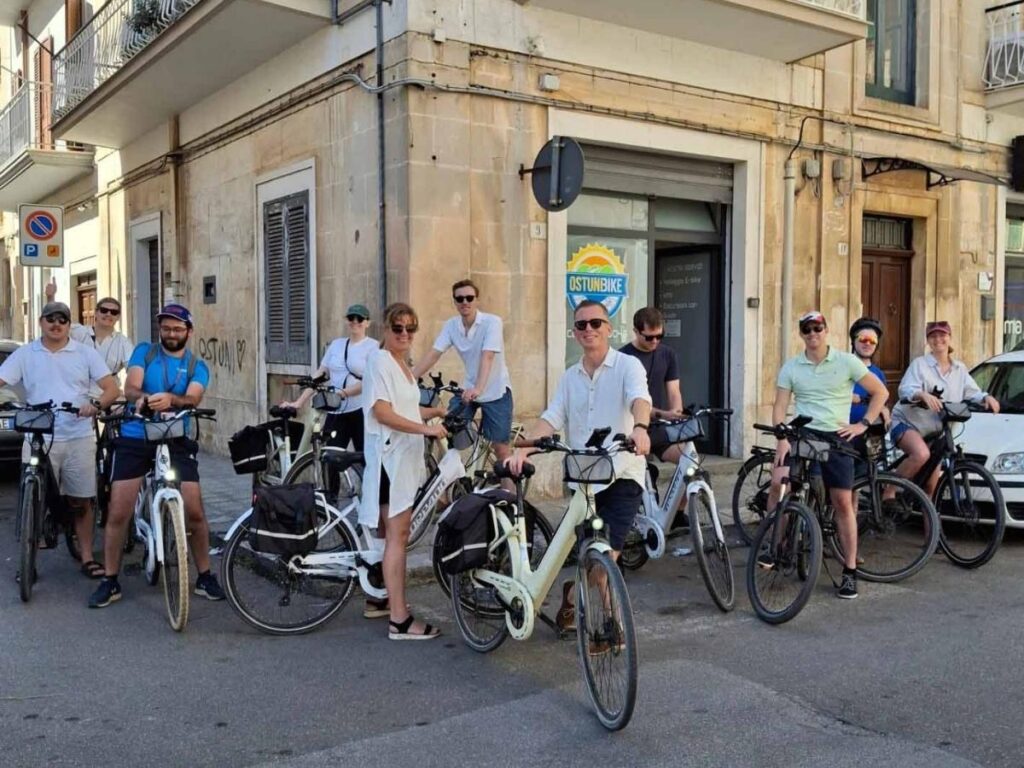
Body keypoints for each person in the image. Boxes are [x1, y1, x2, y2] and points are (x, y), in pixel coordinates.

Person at [507, 299, 651, 631]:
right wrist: (525, 449)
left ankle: (612, 628)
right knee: (590, 552)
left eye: (596, 323)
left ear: (609, 329)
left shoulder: (628, 366)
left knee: (606, 557)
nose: (589, 330)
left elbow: (639, 399)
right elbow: (551, 417)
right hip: (583, 479)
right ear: (574, 333)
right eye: (582, 325)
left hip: (622, 473)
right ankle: (572, 596)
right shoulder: (570, 377)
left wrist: (641, 428)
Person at [89, 304, 222, 608]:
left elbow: (193, 398)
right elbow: (131, 388)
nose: (171, 334)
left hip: (175, 439)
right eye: (166, 328)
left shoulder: (196, 366)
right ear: (159, 329)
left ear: (188, 331)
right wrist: (145, 399)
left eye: (177, 328)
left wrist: (173, 399)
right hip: (136, 436)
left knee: (196, 511)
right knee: (119, 511)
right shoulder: (144, 353)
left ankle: (204, 576)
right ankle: (110, 580)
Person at [766, 311, 888, 600]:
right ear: (801, 333)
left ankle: (849, 570)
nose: (812, 333)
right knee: (779, 483)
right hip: (803, 434)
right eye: (807, 329)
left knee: (843, 502)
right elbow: (780, 406)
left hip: (836, 437)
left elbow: (880, 392)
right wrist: (781, 438)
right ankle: (775, 545)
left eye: (817, 328)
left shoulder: (847, 361)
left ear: (826, 330)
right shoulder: (792, 366)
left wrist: (863, 424)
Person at [0, 301, 120, 580]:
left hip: (77, 434)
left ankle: (88, 557)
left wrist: (96, 405)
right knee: (33, 496)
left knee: (82, 499)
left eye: (62, 320)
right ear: (41, 322)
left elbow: (112, 388)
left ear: (69, 324)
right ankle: (28, 562)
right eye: (51, 319)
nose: (56, 324)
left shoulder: (84, 353)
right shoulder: (25, 354)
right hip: (38, 434)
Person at [361, 302, 448, 639]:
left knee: (390, 536)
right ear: (385, 329)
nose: (404, 334)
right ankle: (400, 619)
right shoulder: (380, 360)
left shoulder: (402, 364)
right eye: (398, 327)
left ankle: (380, 599)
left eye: (411, 328)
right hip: (389, 462)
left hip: (401, 460)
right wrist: (426, 430)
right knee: (397, 536)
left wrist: (434, 411)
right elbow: (382, 411)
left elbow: (406, 408)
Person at [411, 279, 514, 475]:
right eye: (460, 299)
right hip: (468, 389)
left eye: (469, 298)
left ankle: (510, 498)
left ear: (477, 300)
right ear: (455, 302)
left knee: (501, 449)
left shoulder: (492, 322)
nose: (465, 302)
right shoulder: (452, 326)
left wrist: (479, 388)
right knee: (446, 430)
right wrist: (409, 378)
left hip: (494, 391)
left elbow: (488, 356)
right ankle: (447, 486)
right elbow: (434, 353)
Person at [890, 321, 1000, 496]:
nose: (938, 340)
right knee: (921, 454)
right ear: (928, 341)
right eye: (933, 336)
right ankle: (889, 491)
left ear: (949, 338)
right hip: (907, 423)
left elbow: (973, 392)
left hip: (937, 432)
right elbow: (905, 389)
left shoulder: (959, 369)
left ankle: (933, 524)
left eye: (942, 335)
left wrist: (986, 397)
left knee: (930, 487)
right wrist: (921, 394)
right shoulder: (920, 364)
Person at [280, 304, 377, 451]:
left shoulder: (373, 347)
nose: (355, 321)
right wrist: (299, 402)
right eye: (351, 318)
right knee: (331, 459)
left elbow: (370, 382)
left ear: (367, 322)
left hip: (360, 411)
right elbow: (320, 374)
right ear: (347, 321)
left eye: (360, 318)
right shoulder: (336, 345)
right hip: (336, 410)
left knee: (366, 460)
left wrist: (342, 393)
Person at [619, 306, 686, 462]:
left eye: (659, 336)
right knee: (640, 475)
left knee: (690, 459)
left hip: (657, 427)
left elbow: (674, 391)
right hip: (631, 428)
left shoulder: (667, 354)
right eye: (649, 337)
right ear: (636, 332)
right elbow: (632, 401)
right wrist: (664, 414)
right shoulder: (622, 358)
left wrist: (676, 413)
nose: (655, 341)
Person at [45, 279, 134, 389]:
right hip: (75, 393)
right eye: (104, 310)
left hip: (106, 397)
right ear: (96, 312)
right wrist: (50, 298)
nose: (108, 314)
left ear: (118, 317)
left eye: (114, 312)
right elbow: (55, 324)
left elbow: (132, 369)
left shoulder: (123, 342)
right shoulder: (79, 332)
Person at [848, 317, 891, 427]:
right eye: (863, 339)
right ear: (853, 340)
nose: (868, 343)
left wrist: (885, 411)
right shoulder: (841, 367)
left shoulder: (879, 374)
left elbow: (883, 404)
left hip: (870, 435)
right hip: (842, 432)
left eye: (873, 340)